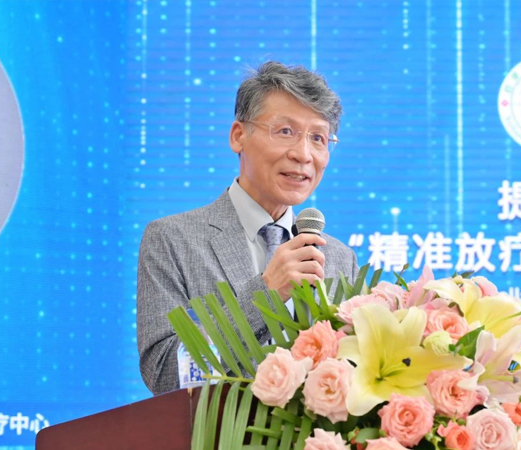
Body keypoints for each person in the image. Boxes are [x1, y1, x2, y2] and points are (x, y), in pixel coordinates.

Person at [137, 61, 359, 395]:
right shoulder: (173, 240)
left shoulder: (340, 259)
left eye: (318, 138)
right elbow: (166, 375)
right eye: (285, 131)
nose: (303, 154)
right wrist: (267, 293)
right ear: (238, 136)